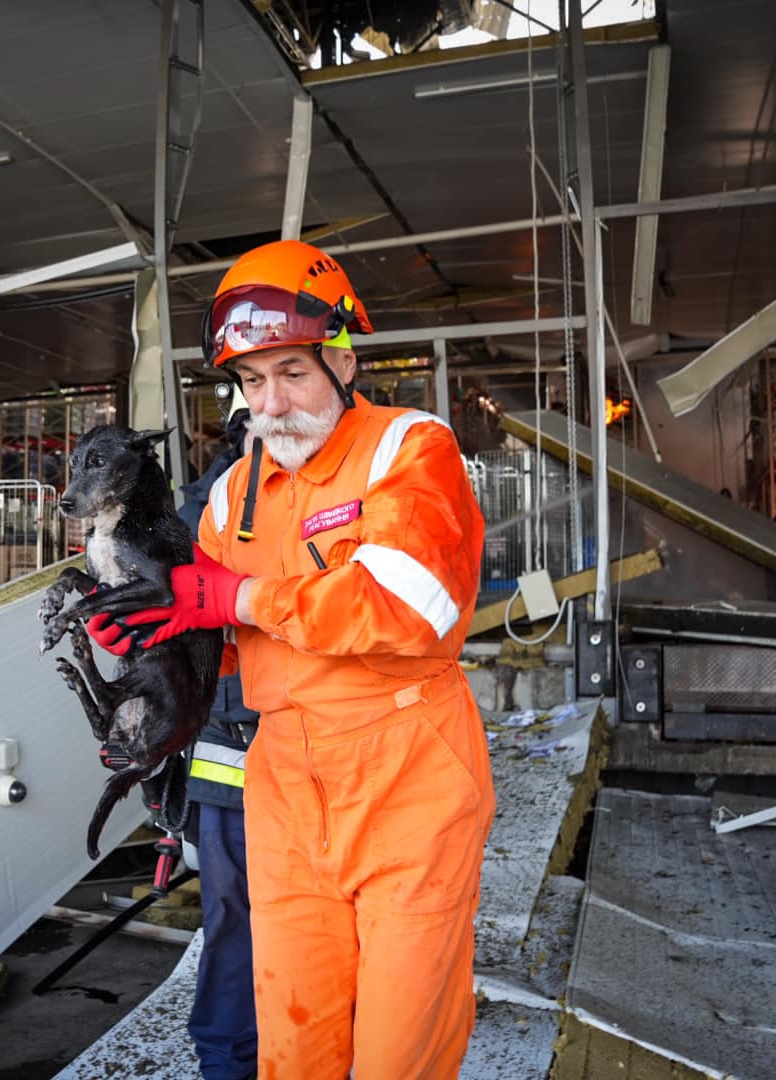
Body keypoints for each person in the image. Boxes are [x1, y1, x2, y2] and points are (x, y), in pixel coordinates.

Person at [92, 240, 493, 1078]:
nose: (271, 402)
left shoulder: (408, 449)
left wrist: (237, 600)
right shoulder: (236, 494)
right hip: (282, 789)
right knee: (295, 1047)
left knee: (396, 1052)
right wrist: (146, 650)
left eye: (292, 373)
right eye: (250, 381)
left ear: (341, 361)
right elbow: (208, 632)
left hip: (406, 780)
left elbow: (411, 603)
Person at [177, 392, 260, 1080]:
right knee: (234, 915)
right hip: (235, 750)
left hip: (301, 752)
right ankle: (229, 1059)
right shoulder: (202, 514)